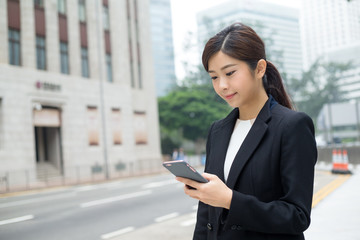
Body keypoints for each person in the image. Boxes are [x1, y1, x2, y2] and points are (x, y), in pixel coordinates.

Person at [175, 23, 317, 240]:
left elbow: (297, 216)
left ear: (259, 69)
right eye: (214, 77)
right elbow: (206, 217)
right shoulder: (217, 131)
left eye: (230, 73)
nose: (222, 85)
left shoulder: (292, 126)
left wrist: (229, 200)